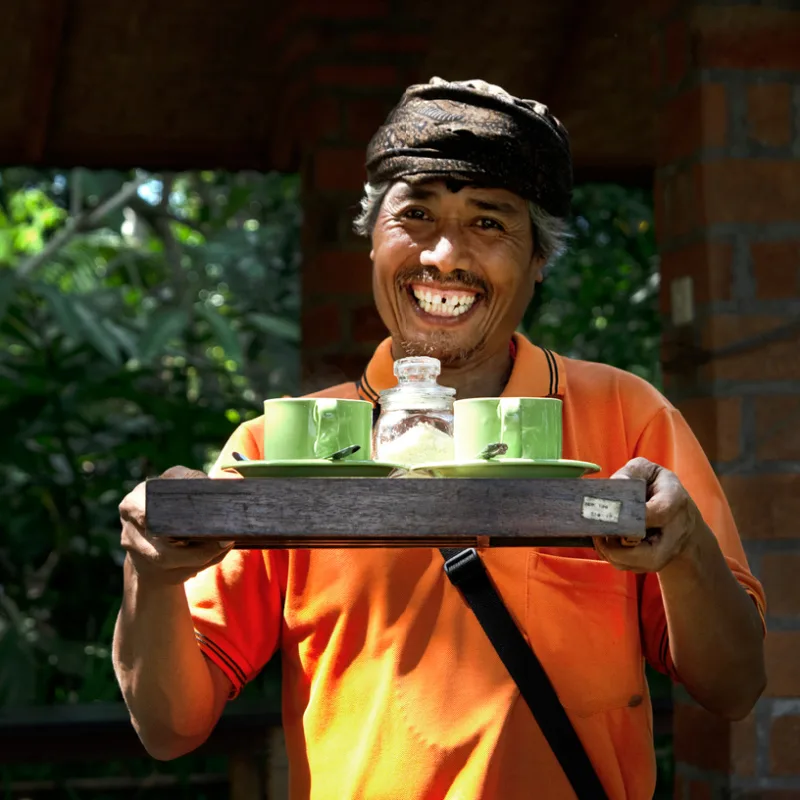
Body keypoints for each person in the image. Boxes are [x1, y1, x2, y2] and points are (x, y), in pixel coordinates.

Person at [113, 78, 766, 800]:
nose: (444, 254)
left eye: (489, 222)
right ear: (372, 237)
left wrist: (686, 551)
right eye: (416, 212)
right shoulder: (280, 449)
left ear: (539, 258)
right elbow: (169, 729)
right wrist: (153, 574)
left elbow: (735, 688)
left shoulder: (627, 417)